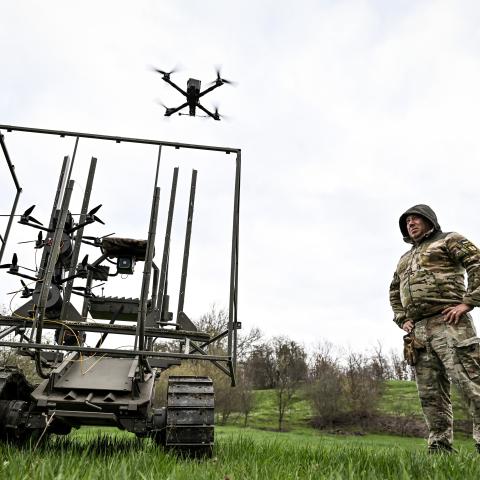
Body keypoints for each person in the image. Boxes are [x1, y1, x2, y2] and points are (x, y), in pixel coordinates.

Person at [389, 204, 480, 453]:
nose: (411, 223)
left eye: (416, 219)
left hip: (449, 322)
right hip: (418, 333)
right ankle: (440, 448)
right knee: (430, 395)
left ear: (430, 221)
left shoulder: (449, 240)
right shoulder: (404, 259)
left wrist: (468, 301)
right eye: (407, 221)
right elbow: (394, 292)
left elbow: (476, 262)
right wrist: (401, 318)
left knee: (470, 383)